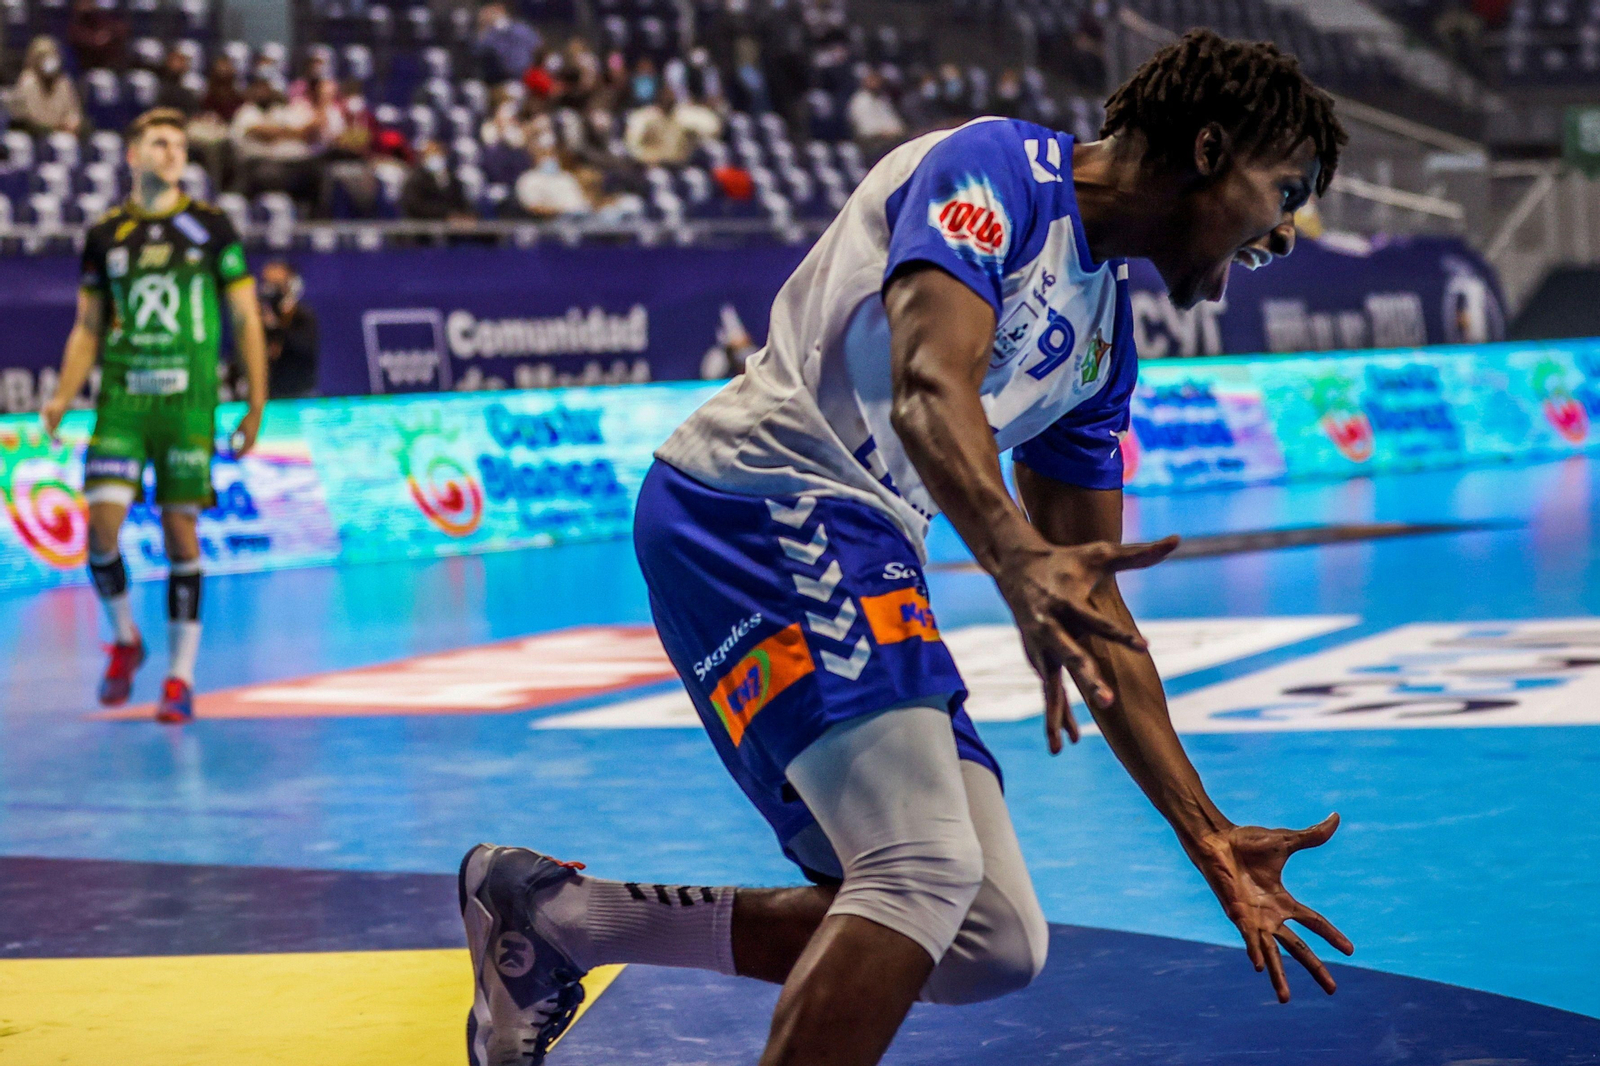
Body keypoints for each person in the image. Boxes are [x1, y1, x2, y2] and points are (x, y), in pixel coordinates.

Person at [458, 31, 1355, 1066]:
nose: (1285, 230)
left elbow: (1094, 607)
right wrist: (1017, 557)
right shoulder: (997, 173)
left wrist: (1204, 827)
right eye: (1283, 189)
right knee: (919, 868)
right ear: (1208, 150)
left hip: (854, 539)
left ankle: (563, 922)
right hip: (763, 499)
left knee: (989, 937)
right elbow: (929, 386)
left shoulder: (1101, 345)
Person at [40, 107, 268, 724]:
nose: (171, 152)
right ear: (134, 155)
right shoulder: (105, 234)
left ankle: (179, 677)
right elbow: (87, 327)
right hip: (123, 400)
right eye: (159, 142)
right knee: (101, 531)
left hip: (188, 402)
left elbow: (247, 318)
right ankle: (125, 639)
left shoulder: (212, 228)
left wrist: (255, 400)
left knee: (178, 534)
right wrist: (63, 394)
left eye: (179, 144)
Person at [258, 260, 317, 397]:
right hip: (270, 392)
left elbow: (303, 347)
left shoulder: (303, 315)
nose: (270, 290)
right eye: (267, 283)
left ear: (291, 285)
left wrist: (276, 327)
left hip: (299, 392)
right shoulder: (258, 318)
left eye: (277, 285)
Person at [9, 37, 83, 137]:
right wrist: (55, 127)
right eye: (43, 56)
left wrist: (72, 123)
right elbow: (32, 118)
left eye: (52, 54)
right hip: (37, 135)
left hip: (63, 134)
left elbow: (73, 112)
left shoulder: (63, 82)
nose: (48, 59)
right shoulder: (27, 81)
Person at [474, 1, 540, 85]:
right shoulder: (489, 34)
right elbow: (477, 50)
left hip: (524, 78)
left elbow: (536, 46)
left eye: (489, 10)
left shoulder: (521, 28)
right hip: (498, 81)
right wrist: (483, 27)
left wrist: (503, 28)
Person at [153, 45, 198, 115]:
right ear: (168, 61)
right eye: (175, 60)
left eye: (181, 61)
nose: (177, 64)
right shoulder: (158, 85)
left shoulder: (187, 93)